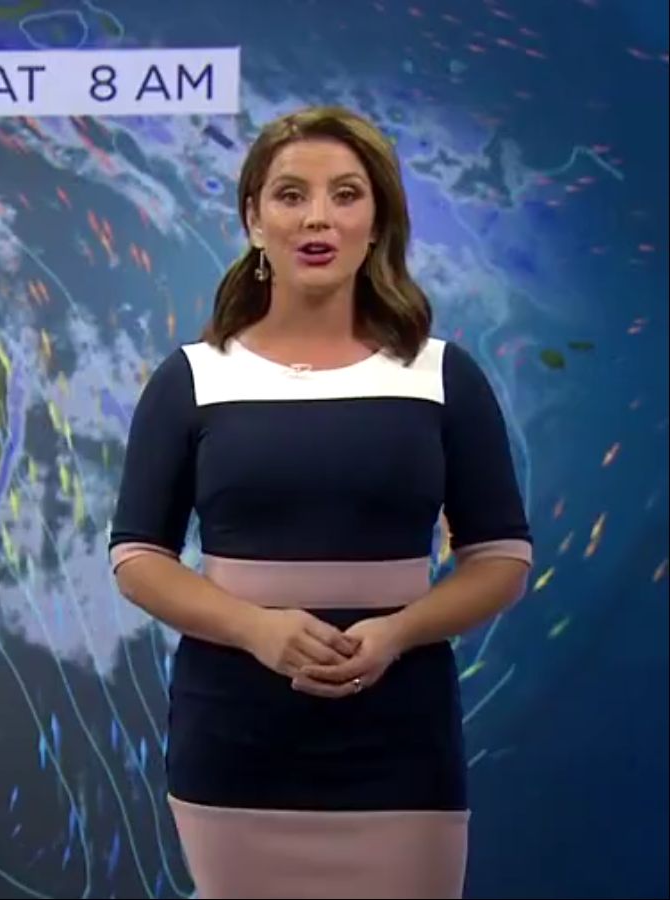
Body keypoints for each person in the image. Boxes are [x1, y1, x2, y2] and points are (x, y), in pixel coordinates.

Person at [109, 105, 532, 899]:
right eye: (290, 194)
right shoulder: (192, 379)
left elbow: (501, 559)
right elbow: (137, 558)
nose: (317, 218)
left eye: (345, 194)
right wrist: (256, 629)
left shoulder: (442, 377)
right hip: (234, 743)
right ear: (253, 220)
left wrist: (397, 632)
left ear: (378, 223)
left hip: (400, 746)